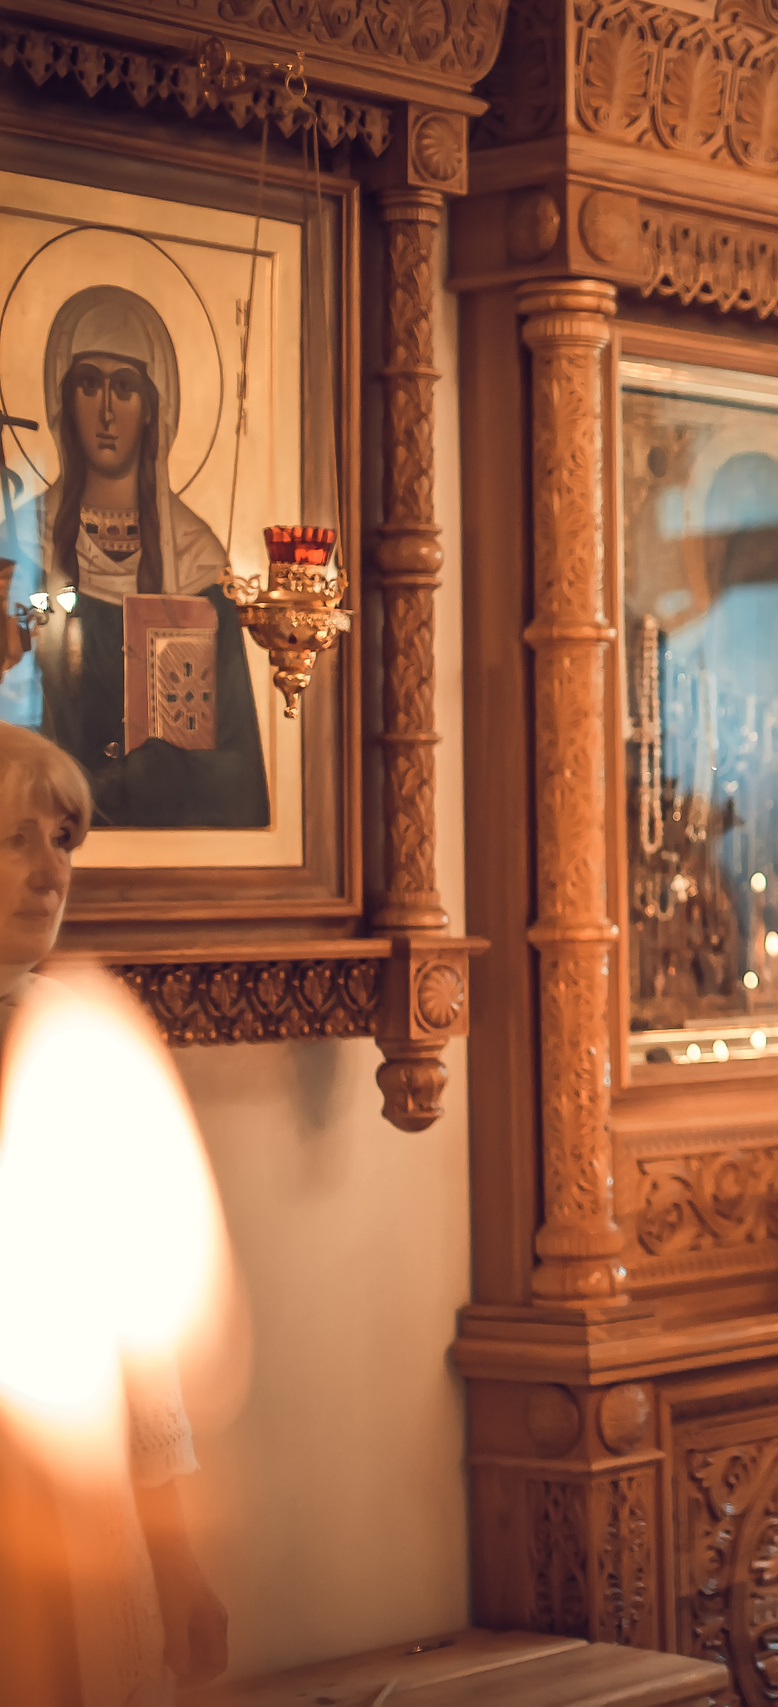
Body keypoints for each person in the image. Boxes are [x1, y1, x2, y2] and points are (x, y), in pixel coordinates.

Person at [0, 722, 229, 1704]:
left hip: (59, 1513)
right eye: (14, 840)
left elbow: (142, 1347)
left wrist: (178, 1562)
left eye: (63, 840)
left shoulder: (72, 1051)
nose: (49, 871)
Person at [3, 287, 269, 828]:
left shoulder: (196, 559)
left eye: (123, 388)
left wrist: (163, 775)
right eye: (88, 384)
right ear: (63, 400)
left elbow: (242, 776)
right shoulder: (21, 544)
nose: (105, 410)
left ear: (152, 406)